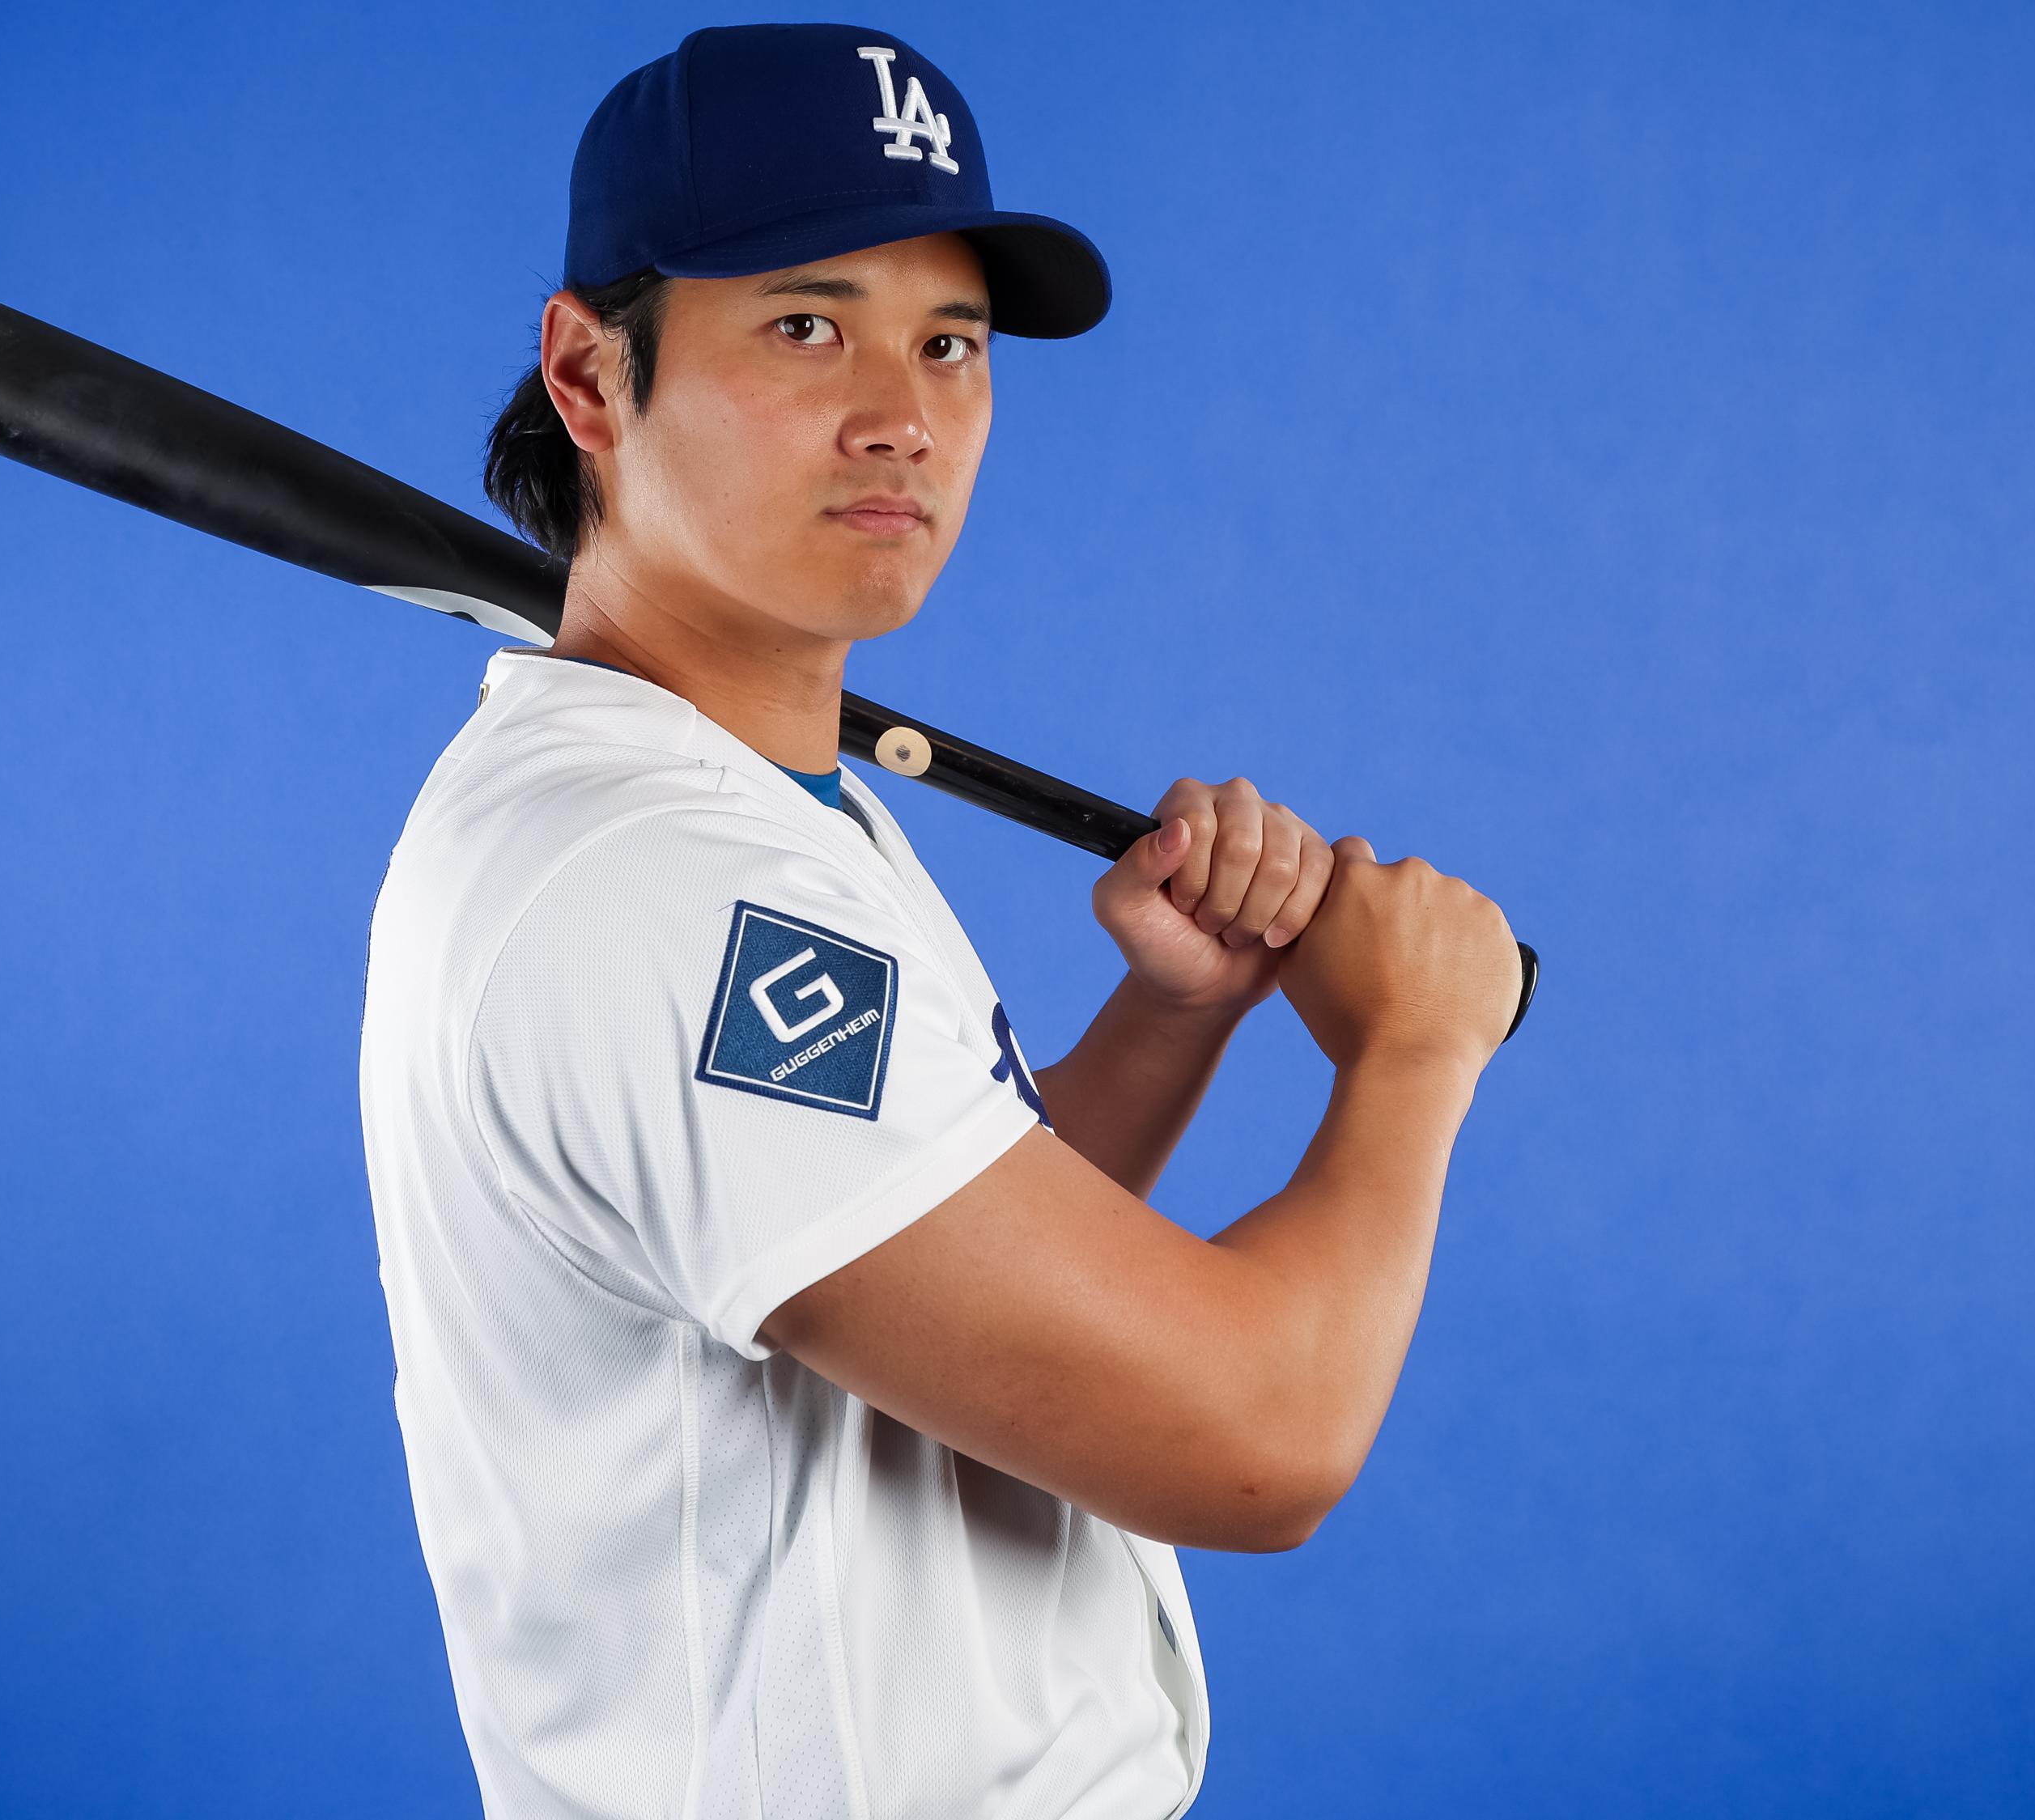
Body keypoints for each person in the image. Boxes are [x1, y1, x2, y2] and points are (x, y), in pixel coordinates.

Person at [355, 24, 1524, 1819]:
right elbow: (1259, 1444)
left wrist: (1170, 1019)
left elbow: (930, 1268)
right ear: (591, 376)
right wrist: (1415, 1050)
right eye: (806, 326)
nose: (901, 412)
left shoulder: (766, 809)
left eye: (950, 343)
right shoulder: (658, 879)